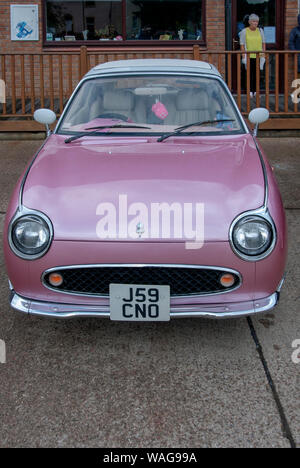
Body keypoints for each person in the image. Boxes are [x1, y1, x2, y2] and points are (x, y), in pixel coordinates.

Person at [239, 13, 266, 98]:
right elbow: (242, 45)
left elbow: (263, 43)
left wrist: (263, 54)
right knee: (249, 74)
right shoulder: (244, 31)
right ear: (250, 22)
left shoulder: (260, 31)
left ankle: (256, 91)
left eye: (257, 22)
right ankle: (250, 91)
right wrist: (244, 56)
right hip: (249, 56)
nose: (255, 23)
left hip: (259, 56)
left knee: (258, 74)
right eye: (253, 21)